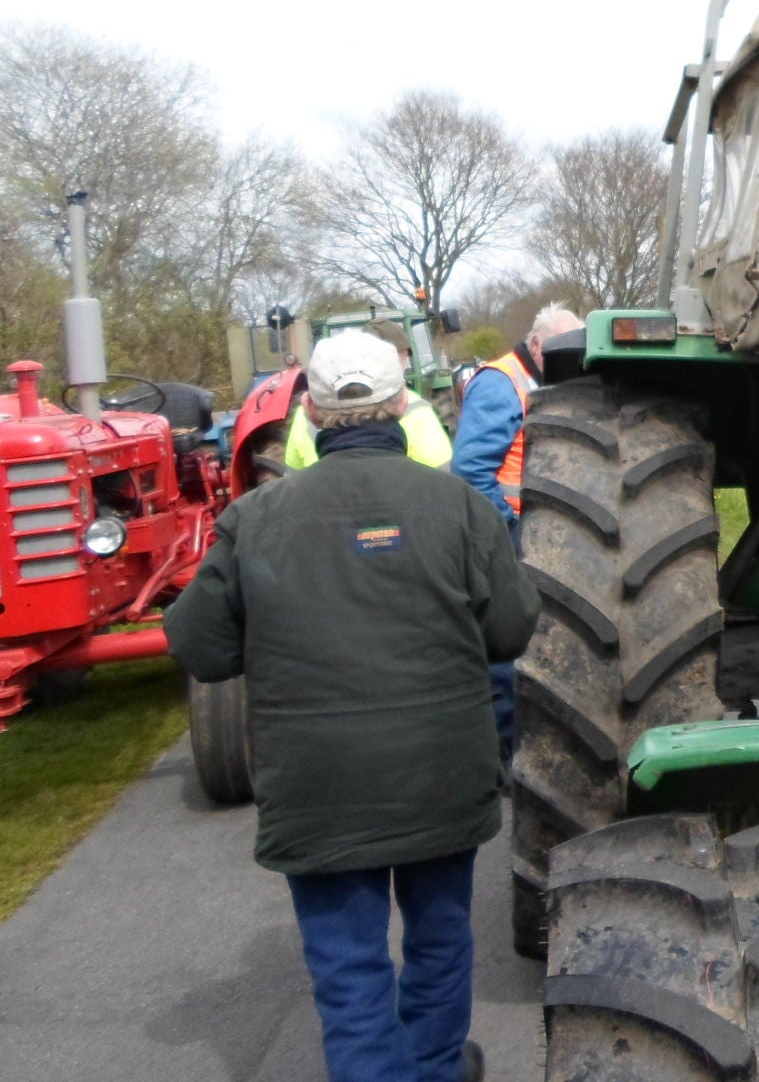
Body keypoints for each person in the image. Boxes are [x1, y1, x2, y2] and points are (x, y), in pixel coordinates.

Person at [165, 330, 538, 1082]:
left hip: (318, 782)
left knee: (348, 964)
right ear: (402, 405)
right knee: (439, 938)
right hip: (440, 770)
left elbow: (201, 647)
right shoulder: (460, 506)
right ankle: (434, 1066)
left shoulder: (255, 518)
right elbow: (510, 630)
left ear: (309, 409)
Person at [453, 303, 584, 750]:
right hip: (513, 533)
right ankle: (506, 750)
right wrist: (510, 528)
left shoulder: (547, 381)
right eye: (561, 349)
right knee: (511, 645)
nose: (570, 359)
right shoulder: (501, 382)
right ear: (536, 344)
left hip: (540, 530)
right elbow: (471, 470)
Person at [281, 335, 452, 472]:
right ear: (402, 402)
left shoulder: (273, 502)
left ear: (309, 407)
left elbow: (293, 472)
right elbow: (439, 471)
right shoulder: (418, 409)